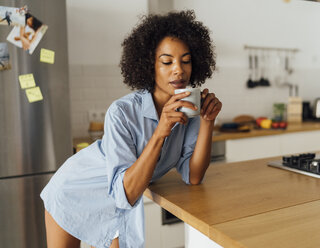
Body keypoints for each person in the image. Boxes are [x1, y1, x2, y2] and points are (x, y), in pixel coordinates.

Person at [40, 10, 221, 248]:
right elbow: (125, 190)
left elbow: (194, 176)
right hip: (76, 189)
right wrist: (161, 130)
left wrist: (208, 122)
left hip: (122, 201)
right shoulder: (122, 112)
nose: (179, 69)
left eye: (185, 61)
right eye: (167, 62)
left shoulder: (189, 110)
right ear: (149, 66)